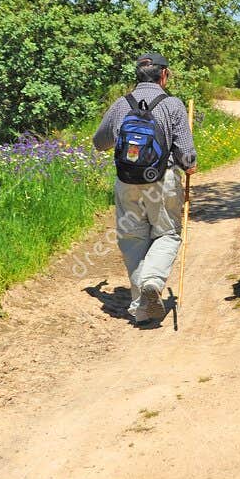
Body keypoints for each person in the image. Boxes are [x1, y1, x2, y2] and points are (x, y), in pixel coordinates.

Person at [92, 52, 197, 324]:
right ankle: (152, 282)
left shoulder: (120, 104)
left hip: (127, 181)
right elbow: (186, 154)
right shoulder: (172, 105)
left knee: (133, 239)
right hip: (162, 182)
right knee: (168, 234)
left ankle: (141, 306)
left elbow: (100, 142)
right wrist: (190, 166)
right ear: (164, 75)